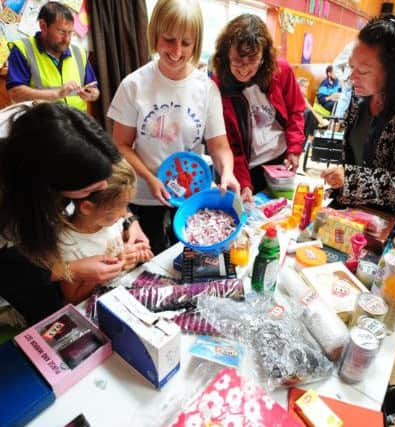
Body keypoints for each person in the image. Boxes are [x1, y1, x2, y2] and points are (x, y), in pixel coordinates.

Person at [107, 0, 240, 255]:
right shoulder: (134, 85)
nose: (176, 51)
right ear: (155, 33)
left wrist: (228, 171)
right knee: (152, 260)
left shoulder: (206, 88)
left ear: (196, 43)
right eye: (168, 39)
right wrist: (150, 177)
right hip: (144, 196)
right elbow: (120, 144)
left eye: (186, 43)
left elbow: (219, 145)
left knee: (188, 259)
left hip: (190, 195)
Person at [0, 102, 151, 325]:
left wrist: (130, 221)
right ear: (49, 187)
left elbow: (106, 186)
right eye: (89, 190)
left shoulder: (50, 128)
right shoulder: (14, 192)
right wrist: (69, 270)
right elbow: (9, 272)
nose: (100, 190)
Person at [321, 14, 395, 213]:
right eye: (351, 67)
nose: (352, 77)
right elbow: (352, 155)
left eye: (364, 71)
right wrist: (341, 184)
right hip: (353, 213)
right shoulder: (359, 97)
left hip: (388, 224)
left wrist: (352, 179)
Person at [212, 14, 305, 202]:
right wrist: (244, 182)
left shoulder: (281, 71)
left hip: (279, 161)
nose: (244, 70)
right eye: (237, 61)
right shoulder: (218, 86)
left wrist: (294, 150)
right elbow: (229, 143)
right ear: (226, 55)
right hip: (245, 166)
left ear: (264, 58)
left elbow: (296, 111)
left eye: (252, 62)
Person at [59, 158, 154, 304]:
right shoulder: (68, 244)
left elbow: (116, 246)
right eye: (119, 207)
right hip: (98, 303)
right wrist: (106, 271)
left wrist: (136, 253)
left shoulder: (110, 221)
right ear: (87, 208)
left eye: (126, 205)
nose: (124, 214)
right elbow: (73, 297)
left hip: (125, 290)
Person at [6, 1, 99, 111]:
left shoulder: (80, 53)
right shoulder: (23, 49)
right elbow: (15, 93)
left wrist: (93, 94)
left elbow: (94, 88)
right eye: (61, 32)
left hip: (75, 124)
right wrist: (57, 93)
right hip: (41, 124)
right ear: (43, 26)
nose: (67, 39)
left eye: (70, 33)